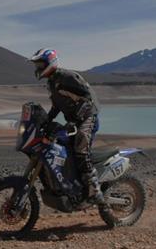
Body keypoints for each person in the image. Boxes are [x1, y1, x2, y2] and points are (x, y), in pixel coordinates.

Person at [29, 48, 104, 205]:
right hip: (74, 121)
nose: (38, 68)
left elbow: (87, 98)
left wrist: (77, 118)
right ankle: (73, 187)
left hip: (88, 118)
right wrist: (46, 121)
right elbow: (57, 105)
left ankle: (95, 192)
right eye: (37, 65)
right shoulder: (52, 82)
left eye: (41, 64)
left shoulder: (68, 77)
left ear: (50, 63)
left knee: (80, 149)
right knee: (63, 148)